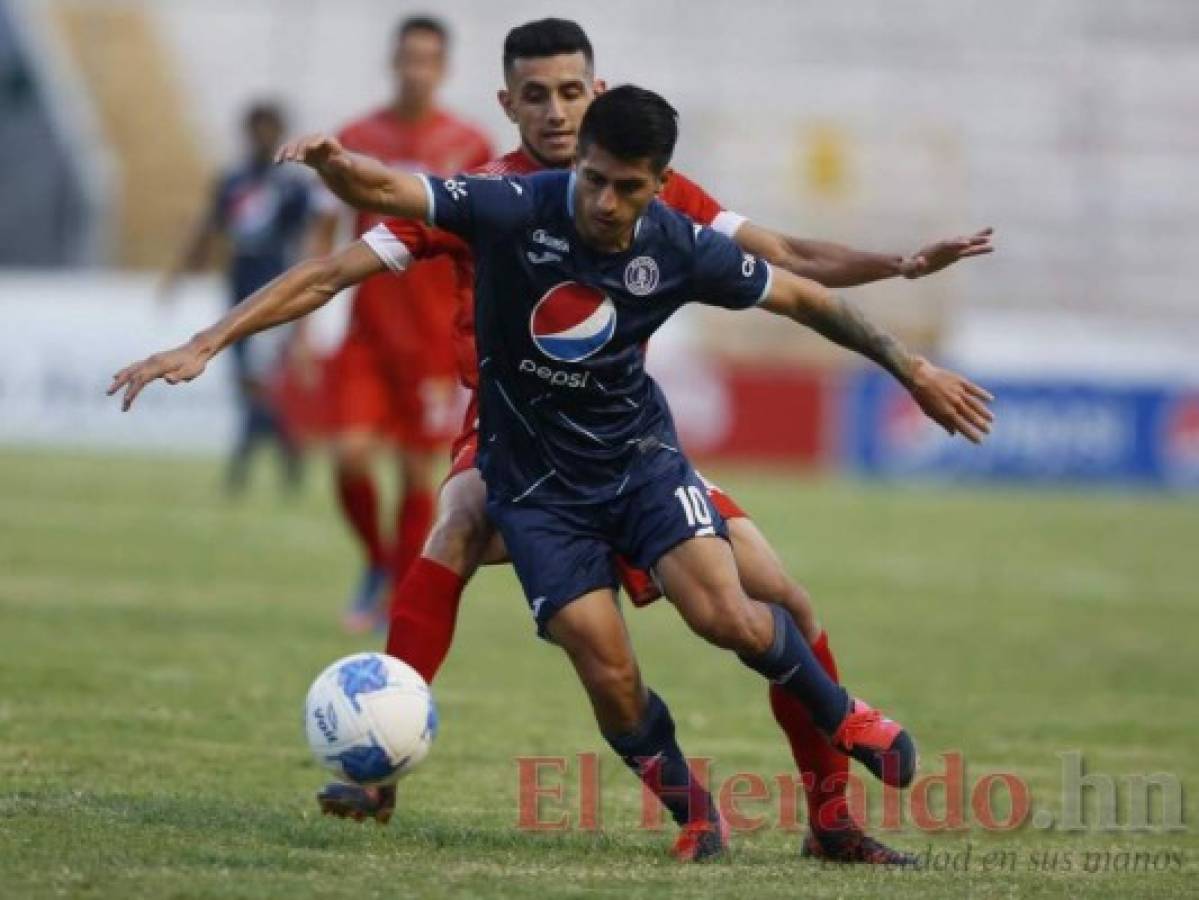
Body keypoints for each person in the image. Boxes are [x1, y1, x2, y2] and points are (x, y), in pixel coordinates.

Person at [110, 85, 994, 864]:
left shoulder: (681, 234)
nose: (605, 200)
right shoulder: (504, 200)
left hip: (638, 461)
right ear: (517, 106)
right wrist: (322, 189)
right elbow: (367, 216)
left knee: (733, 607)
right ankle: (696, 818)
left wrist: (909, 364)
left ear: (654, 176)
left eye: (626, 185)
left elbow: (799, 288)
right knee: (601, 663)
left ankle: (840, 737)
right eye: (593, 177)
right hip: (530, 479)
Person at [308, 15, 493, 631]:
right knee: (349, 455)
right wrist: (305, 326)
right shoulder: (357, 136)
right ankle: (381, 564)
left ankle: (394, 584)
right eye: (407, 57)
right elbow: (326, 229)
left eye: (427, 60)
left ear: (442, 68)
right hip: (367, 331)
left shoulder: (470, 145)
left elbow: (492, 236)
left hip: (436, 338)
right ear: (394, 61)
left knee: (417, 471)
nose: (416, 70)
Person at [161, 101, 310, 495]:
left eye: (269, 129)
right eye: (256, 129)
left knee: (255, 381)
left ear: (279, 133)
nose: (262, 137)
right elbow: (209, 229)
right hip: (237, 291)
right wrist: (178, 275)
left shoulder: (293, 186)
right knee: (248, 382)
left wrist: (308, 300)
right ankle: (289, 451)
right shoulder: (232, 180)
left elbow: (309, 242)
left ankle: (241, 467)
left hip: (276, 292)